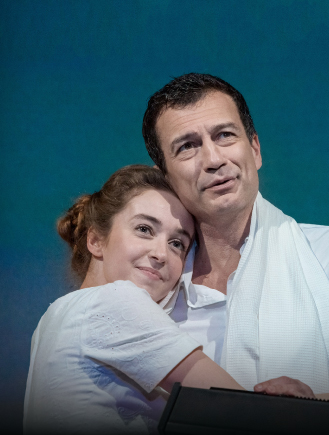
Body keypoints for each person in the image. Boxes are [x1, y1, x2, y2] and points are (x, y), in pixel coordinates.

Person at [142, 73, 329, 434]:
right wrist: (307, 414)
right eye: (187, 146)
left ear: (255, 149)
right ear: (165, 177)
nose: (213, 159)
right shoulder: (153, 293)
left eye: (225, 135)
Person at [23, 165, 247, 435]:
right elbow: (239, 407)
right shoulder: (115, 301)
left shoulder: (54, 316)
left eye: (177, 243)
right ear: (95, 240)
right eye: (144, 229)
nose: (161, 254)